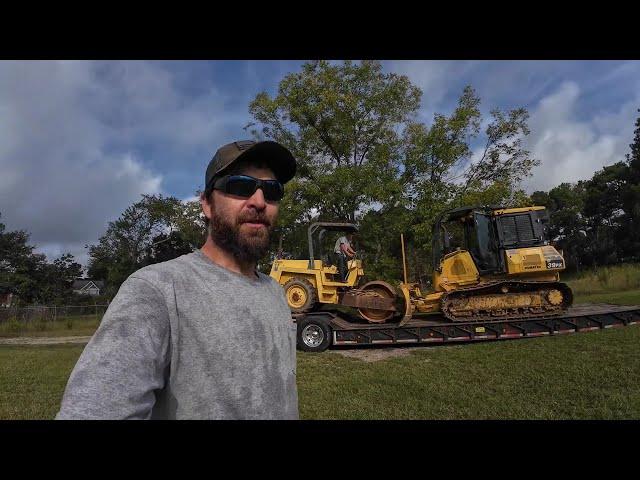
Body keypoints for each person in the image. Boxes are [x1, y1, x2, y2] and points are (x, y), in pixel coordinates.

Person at [56, 140, 299, 420]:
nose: (258, 201)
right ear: (207, 204)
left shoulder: (276, 293)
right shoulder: (157, 290)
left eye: (271, 191)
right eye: (240, 186)